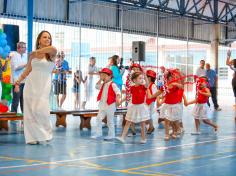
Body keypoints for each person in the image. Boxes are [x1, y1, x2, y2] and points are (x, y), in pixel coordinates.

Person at [14, 31, 57, 144]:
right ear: (39, 40)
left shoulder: (51, 53)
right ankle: (32, 138)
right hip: (30, 85)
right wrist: (18, 82)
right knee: (30, 111)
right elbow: (27, 70)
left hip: (44, 85)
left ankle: (46, 134)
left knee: (41, 110)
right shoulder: (33, 55)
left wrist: (36, 51)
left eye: (49, 37)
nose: (47, 39)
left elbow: (53, 48)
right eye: (44, 37)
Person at [116, 72, 149, 144]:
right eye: (140, 78)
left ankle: (143, 138)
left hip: (141, 107)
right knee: (128, 121)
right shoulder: (132, 88)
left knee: (142, 123)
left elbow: (147, 84)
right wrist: (122, 98)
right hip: (133, 107)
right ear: (134, 80)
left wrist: (145, 77)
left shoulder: (143, 87)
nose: (142, 80)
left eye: (142, 78)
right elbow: (128, 95)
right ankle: (122, 137)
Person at [92, 68, 121, 140]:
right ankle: (98, 133)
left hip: (110, 105)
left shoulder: (113, 84)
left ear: (110, 76)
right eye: (102, 75)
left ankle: (111, 135)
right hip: (102, 105)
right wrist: (100, 79)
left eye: (104, 75)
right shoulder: (103, 84)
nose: (103, 77)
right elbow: (96, 86)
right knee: (98, 119)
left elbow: (118, 92)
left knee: (110, 121)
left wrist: (118, 98)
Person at [10, 42, 27, 114]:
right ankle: (12, 117)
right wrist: (25, 65)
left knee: (23, 101)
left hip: (24, 82)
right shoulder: (14, 56)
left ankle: (24, 117)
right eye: (24, 47)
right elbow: (15, 68)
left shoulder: (25, 56)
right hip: (17, 82)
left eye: (25, 47)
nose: (25, 48)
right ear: (19, 48)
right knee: (16, 101)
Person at [145, 70, 158, 134]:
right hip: (146, 102)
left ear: (149, 78)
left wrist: (150, 102)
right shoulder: (148, 84)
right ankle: (150, 127)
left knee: (148, 115)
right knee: (147, 115)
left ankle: (151, 127)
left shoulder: (153, 85)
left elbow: (154, 95)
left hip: (150, 102)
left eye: (146, 77)